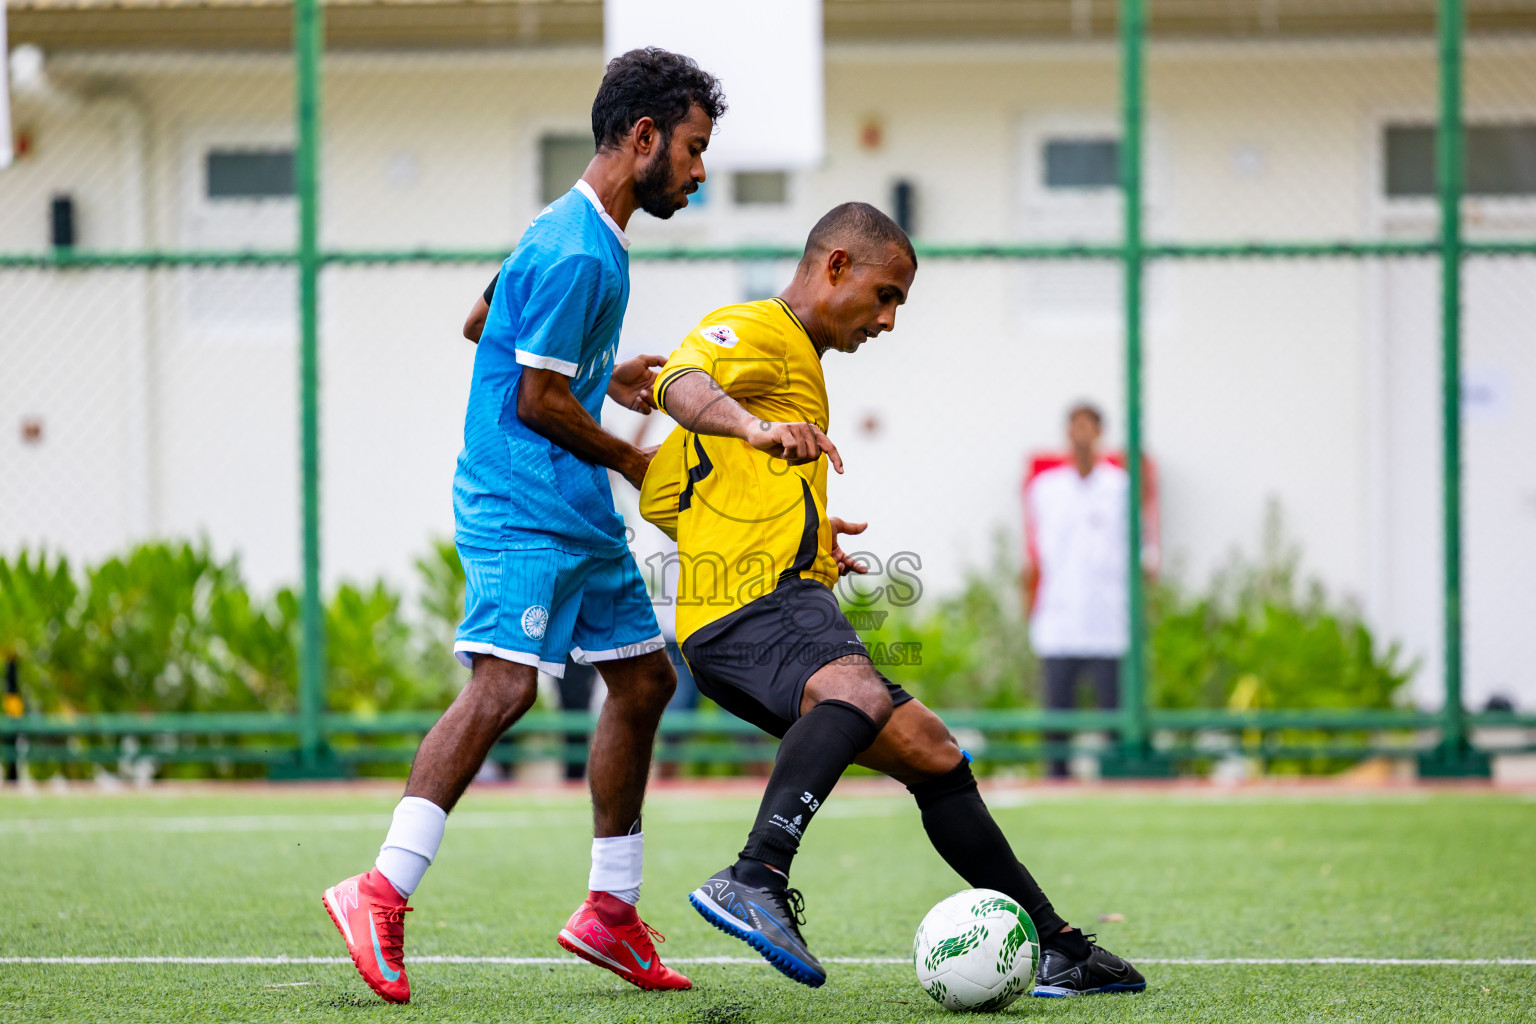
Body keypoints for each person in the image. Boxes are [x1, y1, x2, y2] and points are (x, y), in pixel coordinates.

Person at [638, 203, 1145, 997]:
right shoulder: (761, 328)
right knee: (855, 690)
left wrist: (800, 524)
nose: (889, 319)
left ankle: (1054, 945)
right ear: (836, 264)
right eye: (886, 295)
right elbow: (679, 379)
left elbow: (668, 496)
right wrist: (755, 432)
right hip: (752, 605)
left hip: (766, 600)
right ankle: (756, 874)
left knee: (933, 753)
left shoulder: (798, 366)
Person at [322, 47, 726, 1002]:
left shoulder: (575, 235)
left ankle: (610, 913)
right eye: (695, 150)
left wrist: (601, 371)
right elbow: (539, 402)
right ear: (643, 138)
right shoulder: (575, 248)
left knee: (641, 681)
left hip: (569, 505)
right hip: (520, 503)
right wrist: (631, 456)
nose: (700, 172)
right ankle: (378, 889)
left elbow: (481, 322)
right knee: (505, 687)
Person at [1022, 403, 1147, 779]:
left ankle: (1116, 778)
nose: (1081, 433)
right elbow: (1034, 556)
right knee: (1057, 712)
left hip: (1108, 617)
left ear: (1099, 432)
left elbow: (1140, 553)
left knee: (1114, 711)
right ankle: (1056, 778)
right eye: (1074, 425)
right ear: (1067, 431)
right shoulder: (1045, 489)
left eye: (1088, 426)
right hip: (1059, 616)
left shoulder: (1121, 487)